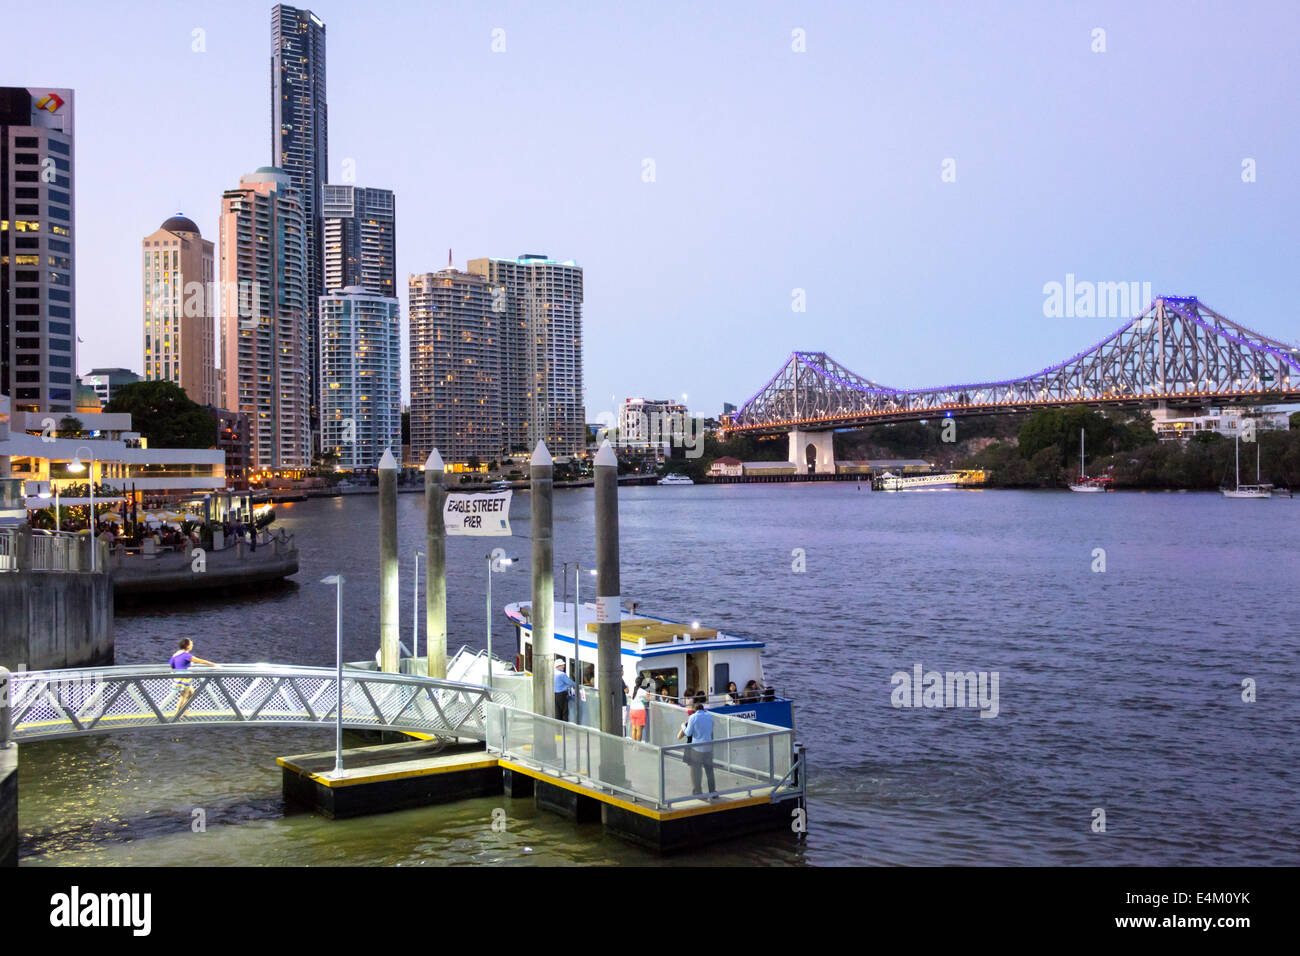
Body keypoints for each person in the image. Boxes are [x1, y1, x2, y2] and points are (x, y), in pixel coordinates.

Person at [677, 700, 717, 798]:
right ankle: (713, 791)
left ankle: (698, 792)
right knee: (709, 771)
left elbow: (688, 733)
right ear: (703, 709)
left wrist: (683, 726)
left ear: (695, 710)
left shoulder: (693, 718)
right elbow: (711, 732)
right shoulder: (709, 716)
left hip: (696, 748)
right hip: (708, 747)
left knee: (696, 772)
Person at [170, 638, 216, 716]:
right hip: (184, 678)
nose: (192, 645)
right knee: (183, 696)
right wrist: (213, 664)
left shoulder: (175, 654)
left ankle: (183, 710)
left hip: (177, 677)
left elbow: (172, 665)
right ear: (187, 646)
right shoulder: (186, 655)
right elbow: (200, 661)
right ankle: (177, 715)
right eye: (191, 644)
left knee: (191, 692)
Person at [629, 677, 652, 741]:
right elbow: (650, 697)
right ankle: (638, 745)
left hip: (632, 710)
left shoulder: (633, 689)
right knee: (639, 729)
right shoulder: (642, 691)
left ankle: (634, 744)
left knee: (634, 729)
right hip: (639, 711)